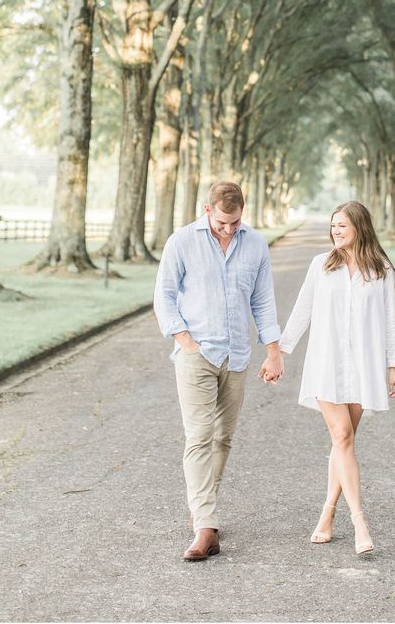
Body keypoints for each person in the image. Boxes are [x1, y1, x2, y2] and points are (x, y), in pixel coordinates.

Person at [154, 181, 284, 561]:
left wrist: (273, 351)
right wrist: (183, 338)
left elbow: (263, 300)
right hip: (196, 353)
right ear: (207, 209)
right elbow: (163, 294)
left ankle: (202, 508)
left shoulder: (256, 244)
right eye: (223, 222)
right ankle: (205, 527)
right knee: (199, 435)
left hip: (237, 356)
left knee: (223, 438)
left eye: (236, 222)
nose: (229, 229)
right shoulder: (181, 242)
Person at [278, 201, 395, 555]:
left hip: (363, 367)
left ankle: (327, 514)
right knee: (342, 435)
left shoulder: (380, 269)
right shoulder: (322, 265)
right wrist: (279, 352)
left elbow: (390, 320)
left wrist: (393, 366)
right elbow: (302, 309)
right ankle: (360, 521)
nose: (335, 231)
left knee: (342, 444)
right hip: (326, 364)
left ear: (359, 228)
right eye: (333, 226)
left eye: (342, 226)